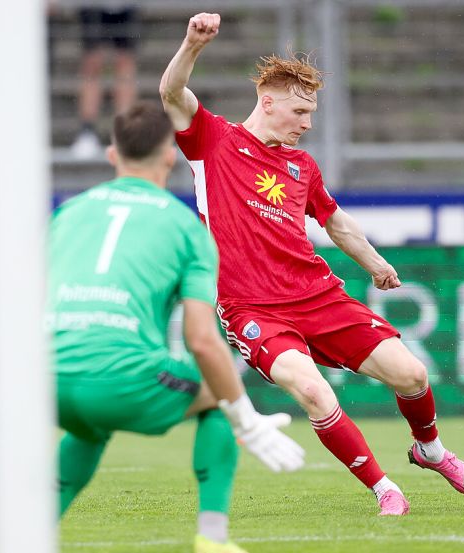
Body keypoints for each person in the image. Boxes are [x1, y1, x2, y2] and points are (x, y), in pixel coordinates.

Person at [159, 13, 464, 517]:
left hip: (318, 296)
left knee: (410, 374)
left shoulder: (302, 166)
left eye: (312, 114)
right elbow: (172, 93)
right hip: (252, 307)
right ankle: (384, 489)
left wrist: (375, 264)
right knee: (312, 390)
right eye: (300, 111)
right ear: (267, 102)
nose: (307, 124)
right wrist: (192, 44)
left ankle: (429, 450)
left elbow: (336, 223)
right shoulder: (213, 140)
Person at [49, 101, 305, 553]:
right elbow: (202, 341)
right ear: (170, 156)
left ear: (112, 154)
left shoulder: (67, 215)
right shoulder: (187, 229)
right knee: (218, 394)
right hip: (119, 378)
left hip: (45, 381)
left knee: (88, 429)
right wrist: (245, 420)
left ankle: (31, 532)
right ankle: (212, 538)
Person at [67, 4, 140, 158]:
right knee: (92, 61)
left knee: (124, 63)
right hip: (93, 6)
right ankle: (87, 132)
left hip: (124, 6)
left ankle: (124, 133)